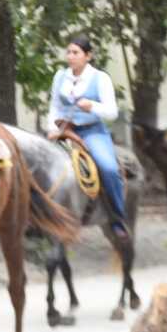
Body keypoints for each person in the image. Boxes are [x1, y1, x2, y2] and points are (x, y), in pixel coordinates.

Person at [45, 35, 128, 239]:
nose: (70, 57)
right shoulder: (60, 76)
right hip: (63, 130)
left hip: (91, 131)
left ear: (88, 56)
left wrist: (92, 106)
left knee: (108, 168)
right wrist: (51, 129)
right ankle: (38, 215)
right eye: (68, 52)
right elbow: (54, 106)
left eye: (76, 53)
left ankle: (117, 218)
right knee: (36, 161)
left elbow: (112, 112)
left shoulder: (100, 78)